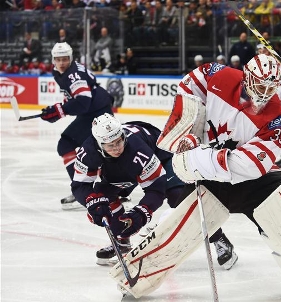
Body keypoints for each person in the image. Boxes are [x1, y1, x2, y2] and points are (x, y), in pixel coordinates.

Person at [133, 54, 281, 299]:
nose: (265, 93)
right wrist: (189, 132)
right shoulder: (218, 75)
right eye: (260, 84)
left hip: (257, 184)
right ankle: (134, 275)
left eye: (271, 87)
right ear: (247, 76)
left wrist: (197, 158)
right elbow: (189, 87)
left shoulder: (278, 120)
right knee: (174, 227)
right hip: (211, 180)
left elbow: (249, 166)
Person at [72, 114, 185, 265]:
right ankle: (122, 240)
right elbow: (80, 185)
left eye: (119, 141)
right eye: (110, 145)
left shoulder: (137, 149)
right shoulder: (88, 151)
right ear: (99, 144)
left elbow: (156, 188)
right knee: (103, 197)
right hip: (123, 165)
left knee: (177, 196)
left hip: (161, 155)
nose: (117, 148)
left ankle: (218, 239)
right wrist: (93, 202)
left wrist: (142, 212)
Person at [41, 42, 114, 210]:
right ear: (53, 60)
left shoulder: (73, 74)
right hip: (96, 109)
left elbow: (83, 101)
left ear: (71, 58)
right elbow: (76, 97)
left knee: (66, 144)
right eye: (58, 59)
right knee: (96, 149)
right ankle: (109, 189)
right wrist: (58, 109)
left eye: (65, 59)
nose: (61, 63)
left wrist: (59, 111)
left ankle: (84, 190)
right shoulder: (60, 72)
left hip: (95, 111)